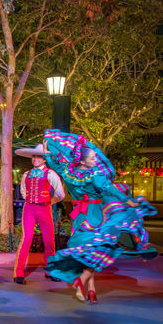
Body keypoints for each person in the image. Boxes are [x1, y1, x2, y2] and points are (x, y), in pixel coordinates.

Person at [43, 129, 157, 303]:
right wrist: (127, 201)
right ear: (82, 160)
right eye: (93, 158)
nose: (96, 161)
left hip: (78, 217)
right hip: (94, 215)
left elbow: (54, 164)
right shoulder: (94, 176)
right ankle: (80, 281)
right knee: (97, 250)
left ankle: (91, 290)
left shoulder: (67, 172)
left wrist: (47, 154)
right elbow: (111, 188)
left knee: (86, 251)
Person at [13, 144, 65, 284]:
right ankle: (18, 273)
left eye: (39, 157)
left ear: (44, 159)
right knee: (27, 238)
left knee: (49, 240)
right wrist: (31, 199)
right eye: (34, 156)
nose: (35, 159)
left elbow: (60, 194)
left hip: (45, 209)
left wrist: (49, 201)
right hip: (29, 208)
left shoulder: (50, 174)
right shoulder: (26, 174)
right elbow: (24, 192)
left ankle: (51, 271)